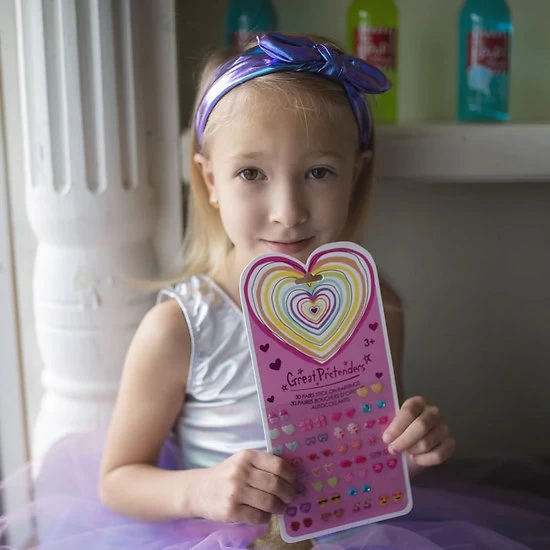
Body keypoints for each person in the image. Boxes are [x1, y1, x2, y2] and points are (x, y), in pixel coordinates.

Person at [1, 32, 549, 550]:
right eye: (251, 174)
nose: (288, 212)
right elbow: (118, 480)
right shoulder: (180, 328)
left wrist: (412, 452)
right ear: (210, 179)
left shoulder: (377, 307)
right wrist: (200, 490)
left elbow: (370, 456)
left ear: (356, 175)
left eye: (318, 173)